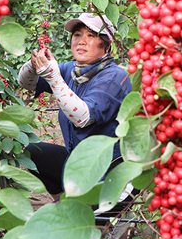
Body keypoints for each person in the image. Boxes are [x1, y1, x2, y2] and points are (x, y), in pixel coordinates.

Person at [18, 13, 132, 199]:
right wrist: (33, 64)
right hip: (79, 162)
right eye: (77, 35)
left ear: (106, 44)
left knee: (93, 223)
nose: (81, 41)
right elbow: (27, 83)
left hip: (106, 171)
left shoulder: (115, 77)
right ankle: (63, 202)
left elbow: (82, 118)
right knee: (35, 152)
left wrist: (53, 76)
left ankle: (100, 210)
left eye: (91, 35)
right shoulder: (71, 70)